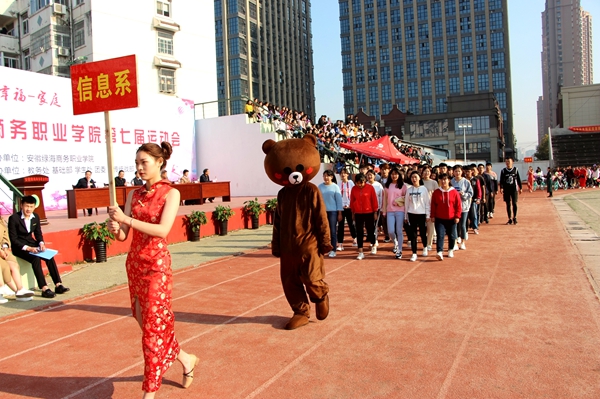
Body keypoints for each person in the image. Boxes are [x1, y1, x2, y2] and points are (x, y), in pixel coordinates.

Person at [107, 142, 198, 397]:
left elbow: (162, 231)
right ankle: (185, 358)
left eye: (144, 163)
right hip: (134, 265)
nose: (139, 168)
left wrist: (126, 220)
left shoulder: (171, 193)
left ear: (160, 162)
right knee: (147, 324)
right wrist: (116, 227)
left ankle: (149, 392)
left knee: (151, 333)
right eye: (136, 163)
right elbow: (124, 236)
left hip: (157, 267)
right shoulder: (133, 195)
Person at [8, 196, 70, 298]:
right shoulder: (14, 218)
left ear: (34, 207)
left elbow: (38, 233)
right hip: (20, 247)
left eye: (31, 206)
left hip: (32, 243)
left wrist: (41, 243)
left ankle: (58, 284)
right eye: (26, 206)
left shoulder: (35, 217)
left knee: (49, 256)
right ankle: (44, 288)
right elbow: (13, 239)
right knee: (35, 258)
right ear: (21, 206)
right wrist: (28, 248)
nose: (28, 209)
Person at [0, 217, 35, 302]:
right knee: (4, 266)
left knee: (13, 265)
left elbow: (5, 235)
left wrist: (5, 247)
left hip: (2, 249)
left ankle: (20, 289)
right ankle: (3, 288)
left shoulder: (0, 220)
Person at [430, 173, 462, 261]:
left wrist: (457, 216)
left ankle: (450, 249)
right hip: (439, 218)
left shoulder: (454, 192)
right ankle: (439, 252)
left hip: (451, 218)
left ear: (449, 180)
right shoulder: (436, 192)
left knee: (452, 235)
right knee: (440, 235)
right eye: (441, 180)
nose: (443, 181)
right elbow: (433, 205)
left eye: (445, 179)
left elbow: (458, 205)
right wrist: (432, 215)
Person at [349, 173, 378, 260]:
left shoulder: (370, 188)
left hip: (369, 212)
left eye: (361, 183)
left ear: (365, 181)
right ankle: (360, 251)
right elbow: (352, 201)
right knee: (359, 232)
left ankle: (373, 244)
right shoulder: (354, 189)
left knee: (370, 230)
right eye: (358, 183)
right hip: (358, 213)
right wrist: (353, 212)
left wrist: (375, 212)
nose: (360, 185)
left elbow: (374, 200)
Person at [404, 171, 430, 261]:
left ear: (419, 178)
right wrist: (405, 216)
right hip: (411, 214)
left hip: (422, 214)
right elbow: (406, 204)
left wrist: (428, 215)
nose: (414, 179)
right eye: (412, 177)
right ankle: (414, 253)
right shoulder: (409, 190)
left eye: (415, 177)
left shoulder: (424, 189)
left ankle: (425, 247)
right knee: (413, 235)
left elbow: (427, 203)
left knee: (423, 233)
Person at [382, 167, 408, 259]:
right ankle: (395, 243)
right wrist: (384, 210)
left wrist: (398, 201)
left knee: (399, 230)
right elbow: (384, 199)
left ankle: (399, 250)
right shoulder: (387, 186)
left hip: (400, 210)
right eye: (392, 174)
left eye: (396, 174)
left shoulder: (403, 186)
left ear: (399, 175)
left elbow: (406, 198)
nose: (394, 176)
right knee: (390, 231)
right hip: (390, 211)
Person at [318, 170, 343, 258]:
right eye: (324, 176)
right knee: (323, 231)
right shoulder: (320, 187)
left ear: (332, 177)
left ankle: (333, 249)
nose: (326, 178)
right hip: (323, 212)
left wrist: (339, 213)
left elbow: (339, 201)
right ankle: (324, 248)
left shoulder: (335, 187)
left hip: (333, 212)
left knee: (332, 231)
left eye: (328, 176)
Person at [450, 165, 472, 250]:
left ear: (462, 172)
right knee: (454, 225)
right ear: (453, 172)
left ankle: (463, 242)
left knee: (462, 225)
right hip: (453, 207)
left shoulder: (466, 182)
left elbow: (470, 193)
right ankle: (455, 242)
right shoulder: (451, 182)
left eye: (459, 171)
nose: (457, 173)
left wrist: (464, 194)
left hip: (463, 206)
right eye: (455, 171)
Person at [337, 168, 357, 250]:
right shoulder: (338, 184)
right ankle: (340, 243)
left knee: (351, 224)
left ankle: (355, 238)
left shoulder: (351, 183)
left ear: (347, 174)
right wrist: (341, 206)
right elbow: (338, 196)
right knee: (340, 225)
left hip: (349, 207)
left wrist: (349, 204)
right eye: (341, 173)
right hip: (341, 207)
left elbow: (353, 195)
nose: (343, 175)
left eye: (344, 173)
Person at [499, 157, 522, 225]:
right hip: (506, 189)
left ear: (512, 162)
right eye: (506, 161)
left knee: (514, 203)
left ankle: (515, 217)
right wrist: (501, 188)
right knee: (508, 204)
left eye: (509, 161)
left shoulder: (515, 170)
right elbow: (501, 180)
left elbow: (518, 179)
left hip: (514, 189)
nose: (507, 163)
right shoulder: (503, 171)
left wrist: (520, 188)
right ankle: (509, 218)